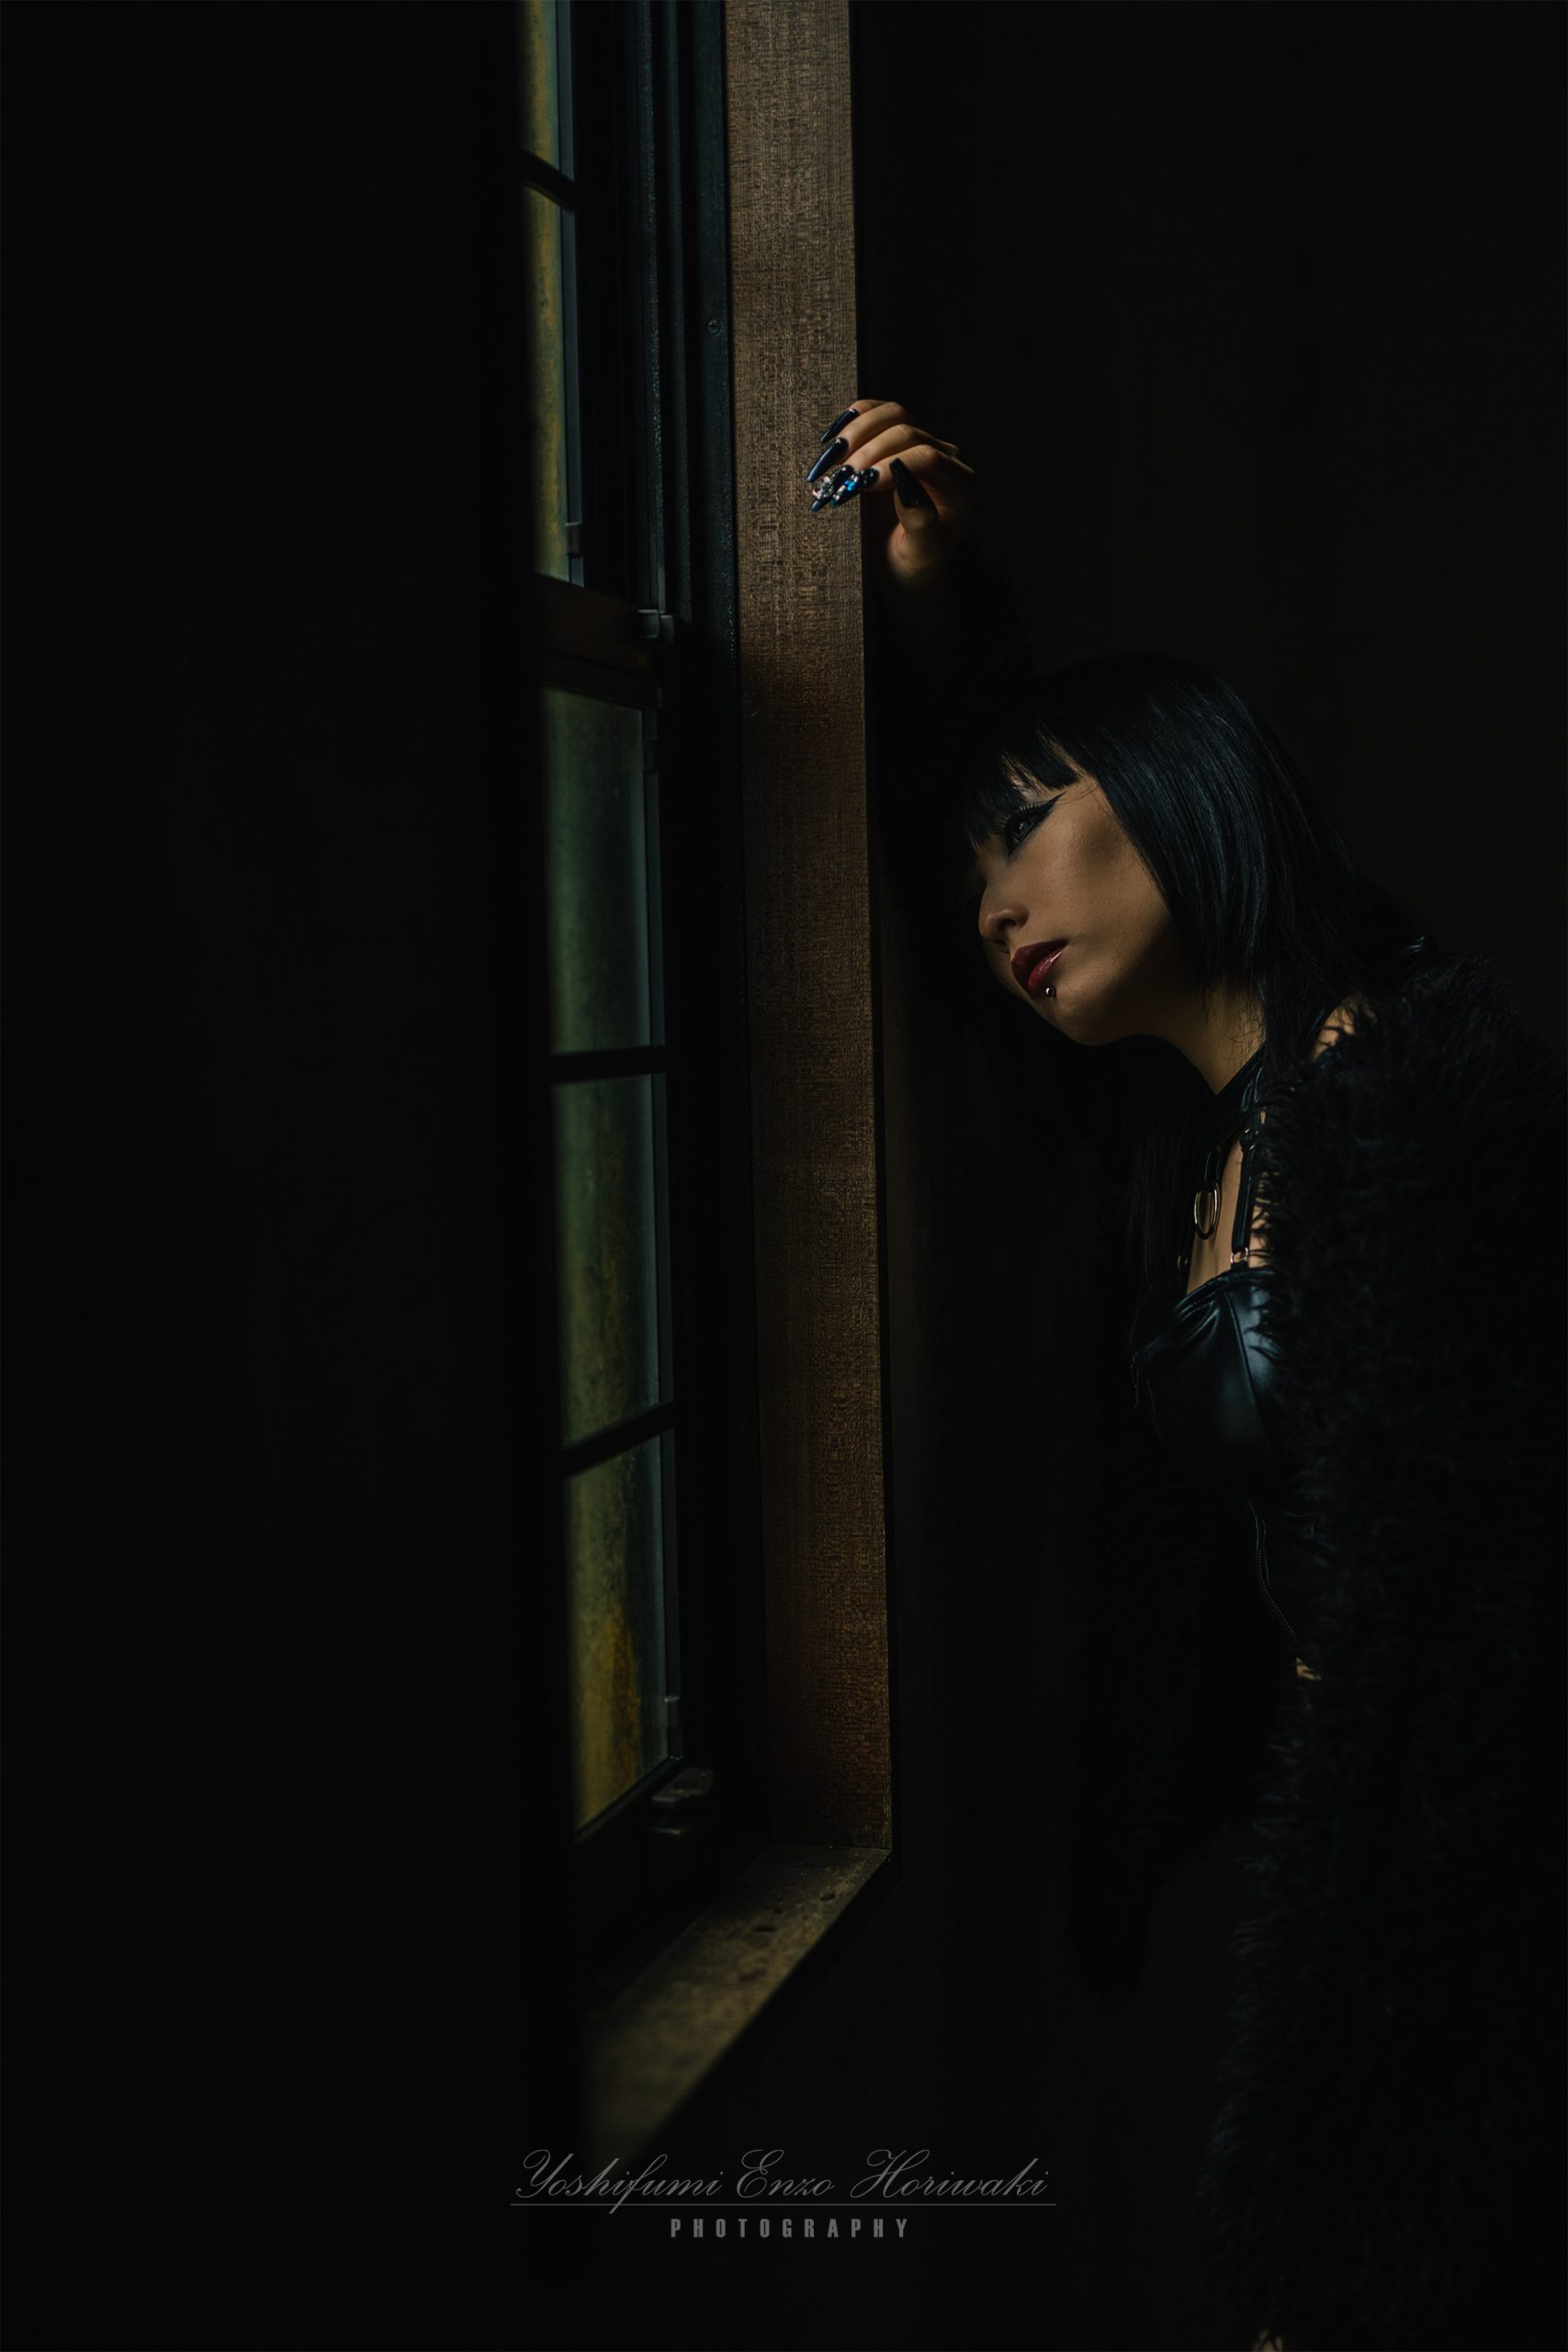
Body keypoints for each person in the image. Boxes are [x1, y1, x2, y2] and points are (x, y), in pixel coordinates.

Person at [807, 401, 1566, 2351]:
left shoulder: (1404, 1097)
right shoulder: (1184, 1132)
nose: (994, 906)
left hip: (1470, 1870)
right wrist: (931, 609)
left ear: (1181, 786)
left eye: (1027, 838)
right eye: (974, 873)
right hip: (1377, 1858)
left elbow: (1474, 1615)